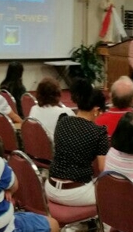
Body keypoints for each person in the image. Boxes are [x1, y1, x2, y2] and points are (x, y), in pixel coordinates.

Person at [45, 78, 108, 206]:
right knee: (113, 193)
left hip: (50, 187)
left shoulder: (62, 120)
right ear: (96, 110)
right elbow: (103, 168)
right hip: (75, 193)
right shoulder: (99, 132)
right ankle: (106, 226)